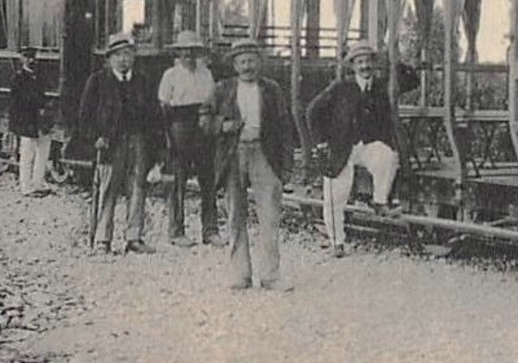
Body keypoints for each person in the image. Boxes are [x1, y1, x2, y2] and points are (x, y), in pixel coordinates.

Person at [306, 40, 420, 257]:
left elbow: (413, 81)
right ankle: (337, 243)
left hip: (365, 146)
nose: (365, 66)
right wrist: (320, 143)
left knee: (387, 155)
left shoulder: (381, 86)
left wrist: (392, 60)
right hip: (341, 148)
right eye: (360, 62)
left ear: (374, 64)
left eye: (368, 61)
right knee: (335, 196)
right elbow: (313, 111)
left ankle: (379, 202)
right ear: (353, 66)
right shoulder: (341, 88)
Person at [211, 38, 297, 290]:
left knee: (270, 215)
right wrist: (222, 125)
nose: (247, 65)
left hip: (264, 152)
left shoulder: (272, 90)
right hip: (233, 153)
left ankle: (270, 276)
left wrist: (286, 164)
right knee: (236, 214)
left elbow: (284, 127)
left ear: (259, 63)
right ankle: (240, 274)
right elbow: (204, 119)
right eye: (242, 61)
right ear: (235, 65)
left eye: (251, 60)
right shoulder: (222, 89)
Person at [77, 32, 160, 254]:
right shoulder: (98, 81)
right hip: (110, 143)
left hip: (138, 141)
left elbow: (154, 115)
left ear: (133, 57)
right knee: (107, 189)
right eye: (118, 55)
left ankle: (134, 237)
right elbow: (85, 115)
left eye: (127, 54)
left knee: (137, 188)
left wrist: (155, 147)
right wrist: (96, 137)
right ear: (110, 58)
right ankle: (103, 238)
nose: (123, 59)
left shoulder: (143, 81)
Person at [157, 30, 218, 246]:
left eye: (193, 51)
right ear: (178, 52)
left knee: (208, 180)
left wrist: (206, 120)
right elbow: (164, 107)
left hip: (202, 126)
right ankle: (176, 231)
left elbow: (211, 102)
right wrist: (168, 138)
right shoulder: (170, 75)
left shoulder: (206, 74)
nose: (188, 55)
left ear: (199, 53)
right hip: (179, 127)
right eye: (184, 51)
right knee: (178, 181)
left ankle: (210, 230)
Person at [8, 45, 52, 197]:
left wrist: (45, 107)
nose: (30, 60)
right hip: (27, 121)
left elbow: (42, 96)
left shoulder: (38, 76)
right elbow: (17, 103)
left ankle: (38, 183)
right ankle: (26, 187)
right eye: (27, 57)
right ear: (22, 59)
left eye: (33, 57)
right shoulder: (18, 78)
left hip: (40, 121)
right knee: (27, 155)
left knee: (43, 152)